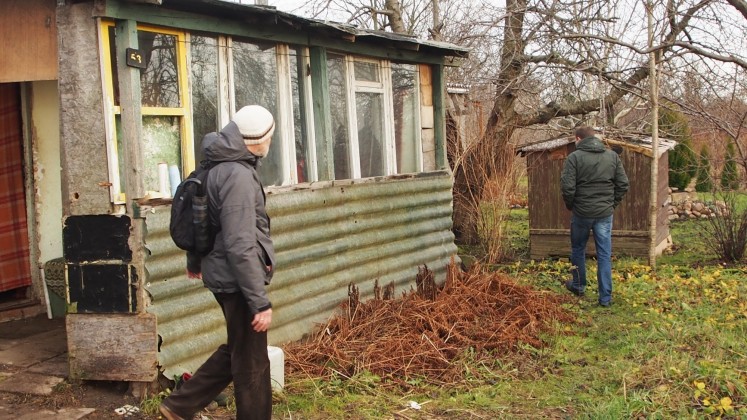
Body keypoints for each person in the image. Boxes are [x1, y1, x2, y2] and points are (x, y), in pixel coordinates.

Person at [160, 105, 277, 420]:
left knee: (241, 347)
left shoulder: (215, 162)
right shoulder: (236, 174)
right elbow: (240, 244)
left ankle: (179, 405)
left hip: (221, 271)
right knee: (251, 359)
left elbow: (201, 213)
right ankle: (182, 405)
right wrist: (259, 301)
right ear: (260, 139)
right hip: (236, 277)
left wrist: (194, 258)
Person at [560, 126, 629, 307]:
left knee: (578, 250)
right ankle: (605, 298)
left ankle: (578, 285)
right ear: (595, 138)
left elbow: (567, 188)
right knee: (604, 254)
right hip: (604, 214)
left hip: (581, 213)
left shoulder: (573, 158)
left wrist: (572, 206)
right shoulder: (612, 156)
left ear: (578, 139)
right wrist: (611, 205)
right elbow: (623, 184)